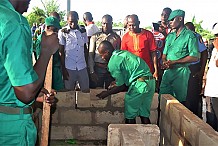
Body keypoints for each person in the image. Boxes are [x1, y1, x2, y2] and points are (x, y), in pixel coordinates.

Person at [0, 0, 58, 145]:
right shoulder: (13, 23)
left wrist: (35, 91)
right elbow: (25, 93)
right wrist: (46, 51)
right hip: (10, 128)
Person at [96, 40, 155, 124]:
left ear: (107, 52)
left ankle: (130, 136)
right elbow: (127, 73)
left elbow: (122, 86)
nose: (102, 58)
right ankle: (150, 135)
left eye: (102, 55)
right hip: (150, 82)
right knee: (144, 114)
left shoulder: (113, 62)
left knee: (130, 114)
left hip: (139, 85)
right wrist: (116, 82)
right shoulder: (121, 53)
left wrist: (106, 93)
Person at [159, 9, 199, 104]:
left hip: (181, 72)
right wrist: (165, 62)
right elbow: (164, 54)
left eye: (172, 19)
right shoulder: (170, 36)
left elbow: (194, 57)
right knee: (162, 98)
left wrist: (175, 62)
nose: (170, 22)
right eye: (169, 20)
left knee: (179, 102)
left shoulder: (190, 35)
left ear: (180, 19)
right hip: (168, 72)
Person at [58, 11, 90, 93]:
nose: (73, 24)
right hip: (69, 67)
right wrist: (63, 69)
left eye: (75, 21)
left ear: (78, 19)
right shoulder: (63, 32)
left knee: (85, 91)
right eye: (71, 22)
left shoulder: (83, 31)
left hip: (82, 66)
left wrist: (86, 65)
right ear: (67, 21)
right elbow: (61, 52)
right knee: (69, 93)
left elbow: (85, 49)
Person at [88, 14, 121, 89]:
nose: (106, 26)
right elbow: (90, 55)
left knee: (110, 91)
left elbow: (118, 56)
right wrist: (92, 71)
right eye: (104, 23)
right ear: (101, 23)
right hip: (98, 68)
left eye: (108, 23)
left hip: (111, 70)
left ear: (111, 24)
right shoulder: (95, 37)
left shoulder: (116, 38)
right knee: (96, 92)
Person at [121, 14, 158, 80]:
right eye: (129, 25)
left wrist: (156, 70)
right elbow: (124, 57)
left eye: (134, 25)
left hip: (146, 70)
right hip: (132, 72)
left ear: (139, 23)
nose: (131, 27)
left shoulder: (148, 34)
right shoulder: (125, 37)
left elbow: (153, 53)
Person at [185, 22, 208, 118]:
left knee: (192, 98)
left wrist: (201, 71)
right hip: (183, 69)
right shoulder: (180, 37)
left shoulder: (196, 37)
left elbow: (204, 53)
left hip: (194, 69)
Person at [35, 16, 64, 91]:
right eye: (54, 30)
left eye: (57, 30)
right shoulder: (40, 41)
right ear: (47, 27)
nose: (56, 32)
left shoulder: (53, 39)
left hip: (56, 71)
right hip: (46, 72)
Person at [204, 23, 218, 131]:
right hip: (210, 90)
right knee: (210, 122)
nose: (214, 40)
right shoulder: (214, 50)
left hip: (216, 93)